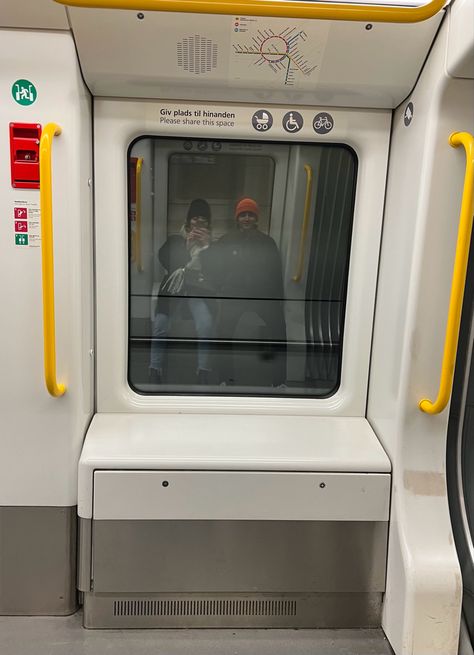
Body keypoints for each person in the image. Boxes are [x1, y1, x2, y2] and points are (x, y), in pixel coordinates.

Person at [213, 197, 286, 386]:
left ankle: (279, 381)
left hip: (262, 295)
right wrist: (221, 287)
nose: (246, 218)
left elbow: (275, 271)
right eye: (243, 215)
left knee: (279, 331)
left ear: (256, 218)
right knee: (223, 333)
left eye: (250, 215)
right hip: (234, 294)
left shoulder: (267, 242)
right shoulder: (226, 240)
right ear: (238, 218)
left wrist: (278, 298)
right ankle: (224, 378)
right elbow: (216, 266)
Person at [149, 198, 216, 385]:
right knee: (160, 325)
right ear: (188, 221)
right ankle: (155, 368)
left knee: (205, 325)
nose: (198, 222)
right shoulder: (176, 239)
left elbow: (217, 271)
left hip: (198, 290)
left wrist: (208, 247)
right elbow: (164, 258)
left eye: (202, 219)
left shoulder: (212, 244)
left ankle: (203, 370)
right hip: (173, 290)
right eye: (195, 218)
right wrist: (186, 249)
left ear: (208, 223)